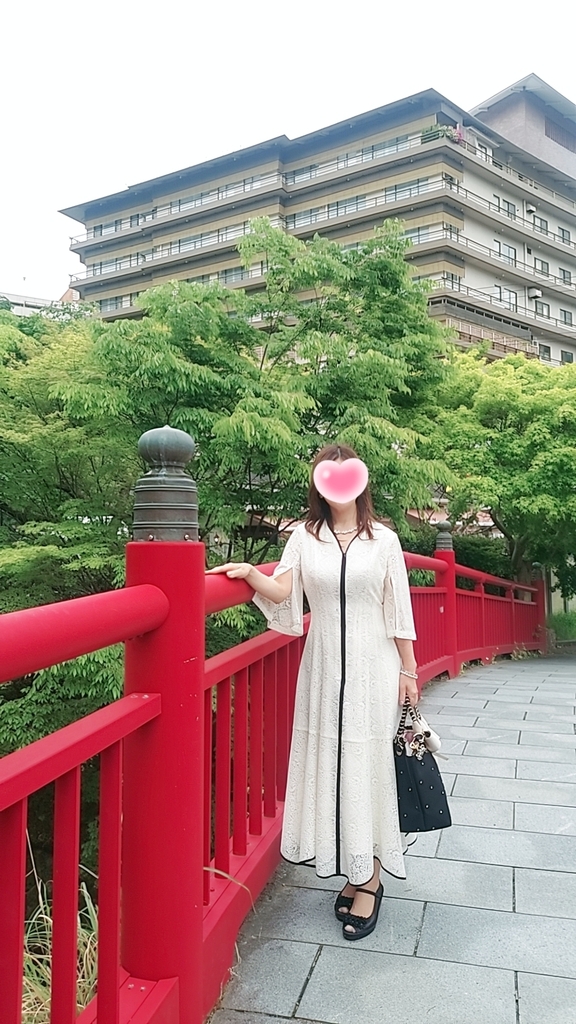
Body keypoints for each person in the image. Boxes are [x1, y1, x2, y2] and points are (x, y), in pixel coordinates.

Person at [206, 443, 418, 940]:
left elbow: (398, 609)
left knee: (366, 764)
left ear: (360, 482)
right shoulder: (304, 536)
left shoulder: (384, 541)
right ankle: (354, 868)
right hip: (322, 668)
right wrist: (250, 573)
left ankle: (370, 879)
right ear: (319, 484)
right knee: (334, 764)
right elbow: (285, 591)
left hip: (374, 668)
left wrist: (409, 670)